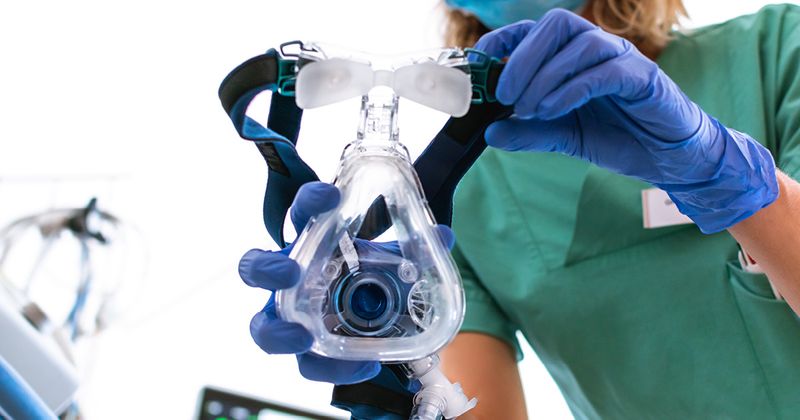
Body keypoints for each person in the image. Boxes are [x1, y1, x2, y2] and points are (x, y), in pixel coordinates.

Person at [238, 1, 800, 418]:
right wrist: (393, 368)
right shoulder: (458, 188)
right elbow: (471, 405)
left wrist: (728, 175)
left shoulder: (778, 49)